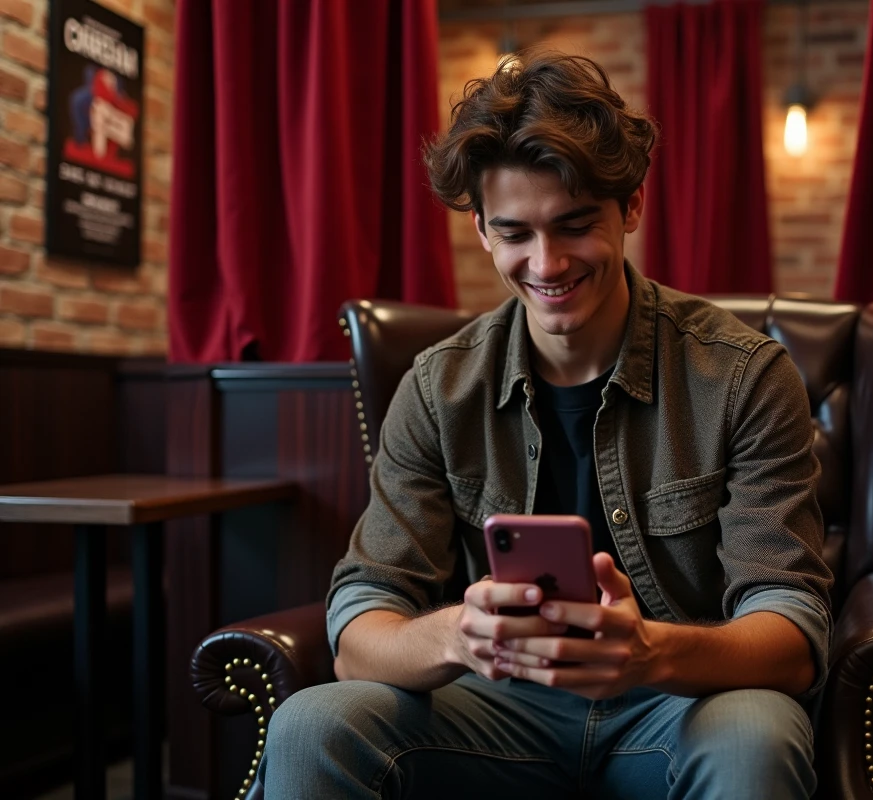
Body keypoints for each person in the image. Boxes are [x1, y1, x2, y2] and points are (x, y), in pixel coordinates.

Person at [259, 50, 833, 800]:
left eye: (574, 225)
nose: (547, 262)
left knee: (757, 736)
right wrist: (457, 634)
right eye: (516, 233)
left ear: (629, 208)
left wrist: (651, 653)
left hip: (683, 701)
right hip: (495, 708)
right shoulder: (437, 387)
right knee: (311, 725)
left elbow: (791, 633)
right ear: (482, 230)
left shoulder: (745, 375)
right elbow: (361, 623)